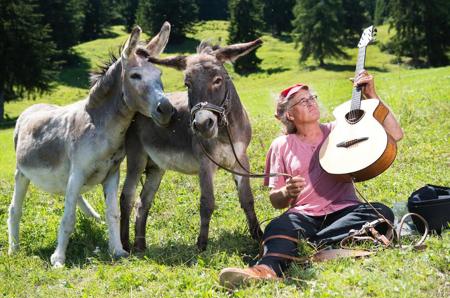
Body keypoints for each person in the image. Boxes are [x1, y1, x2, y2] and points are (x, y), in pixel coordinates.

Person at [219, 70, 403, 288]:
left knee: (380, 212)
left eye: (311, 98)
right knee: (278, 226)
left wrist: (372, 96)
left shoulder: (340, 131)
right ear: (290, 115)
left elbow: (396, 134)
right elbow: (276, 200)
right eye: (302, 101)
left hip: (345, 211)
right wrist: (286, 192)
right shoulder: (281, 145)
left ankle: (306, 247)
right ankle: (265, 270)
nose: (310, 102)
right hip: (304, 216)